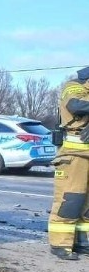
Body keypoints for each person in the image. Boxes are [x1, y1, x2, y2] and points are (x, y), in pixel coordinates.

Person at [47, 66, 89, 260]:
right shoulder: (74, 86)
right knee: (70, 200)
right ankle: (60, 244)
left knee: (86, 205)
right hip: (73, 155)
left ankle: (82, 241)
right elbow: (76, 106)